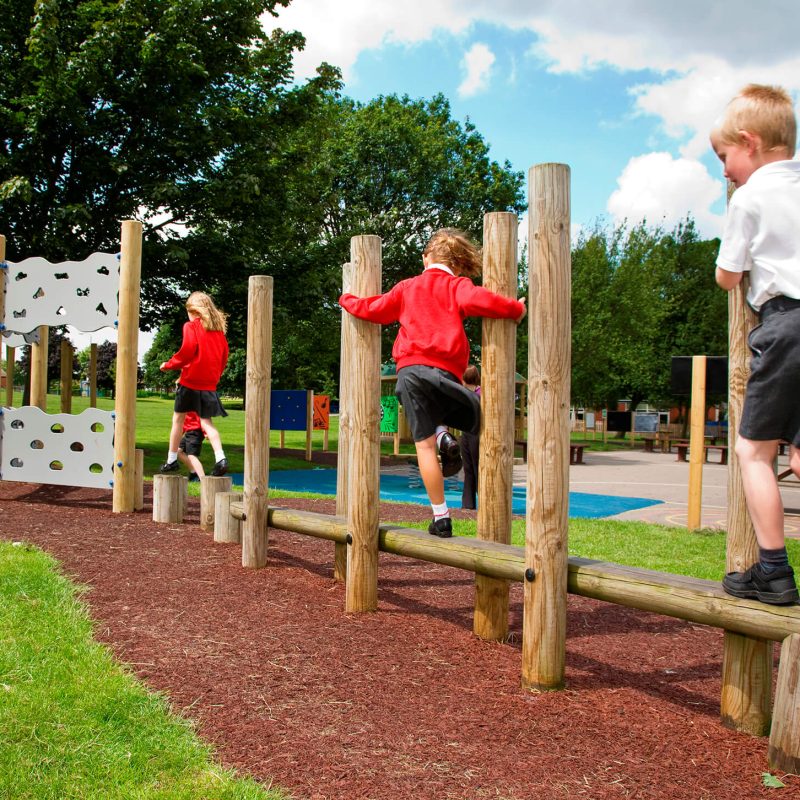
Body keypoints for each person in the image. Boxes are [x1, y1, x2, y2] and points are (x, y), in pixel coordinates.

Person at [339, 228, 525, 538]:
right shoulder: (457, 285)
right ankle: (444, 436)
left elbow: (374, 309)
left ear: (427, 258)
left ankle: (441, 517)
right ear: (458, 264)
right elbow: (482, 300)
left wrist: (347, 299)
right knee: (468, 418)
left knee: (422, 445)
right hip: (447, 376)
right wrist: (514, 309)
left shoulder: (408, 287)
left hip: (412, 373)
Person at [711, 83, 800, 605]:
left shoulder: (750, 197)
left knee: (752, 451)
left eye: (725, 156)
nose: (725, 170)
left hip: (786, 322)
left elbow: (727, 276)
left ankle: (773, 570)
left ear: (750, 141)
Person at [159, 291, 230, 477]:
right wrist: (214, 377)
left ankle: (171, 459)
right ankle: (220, 457)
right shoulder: (219, 333)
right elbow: (223, 358)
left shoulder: (191, 326)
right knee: (206, 422)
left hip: (190, 381)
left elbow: (187, 351)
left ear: (193, 310)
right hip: (209, 384)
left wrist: (169, 365)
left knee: (178, 420)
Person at [460, 365, 481, 510]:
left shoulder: (479, 394)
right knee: (468, 469)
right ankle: (468, 504)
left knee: (477, 468)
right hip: (466, 433)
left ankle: (483, 500)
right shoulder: (462, 393)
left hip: (475, 434)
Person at [177, 411, 205, 482]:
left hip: (196, 432)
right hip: (188, 432)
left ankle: (203, 479)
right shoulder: (184, 406)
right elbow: (184, 421)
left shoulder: (194, 405)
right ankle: (193, 472)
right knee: (178, 451)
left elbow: (202, 419)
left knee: (192, 456)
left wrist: (205, 432)